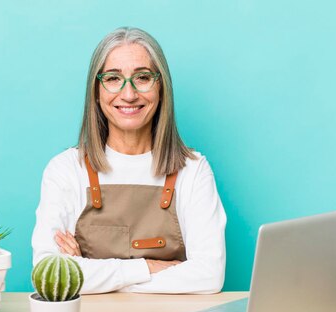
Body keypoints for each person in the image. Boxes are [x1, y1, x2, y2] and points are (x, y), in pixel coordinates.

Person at [31, 27, 226, 294]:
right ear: (96, 91)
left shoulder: (193, 170)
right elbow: (49, 273)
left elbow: (209, 277)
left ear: (161, 87)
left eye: (143, 77)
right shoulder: (65, 170)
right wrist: (148, 267)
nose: (129, 94)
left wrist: (88, 271)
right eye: (113, 78)